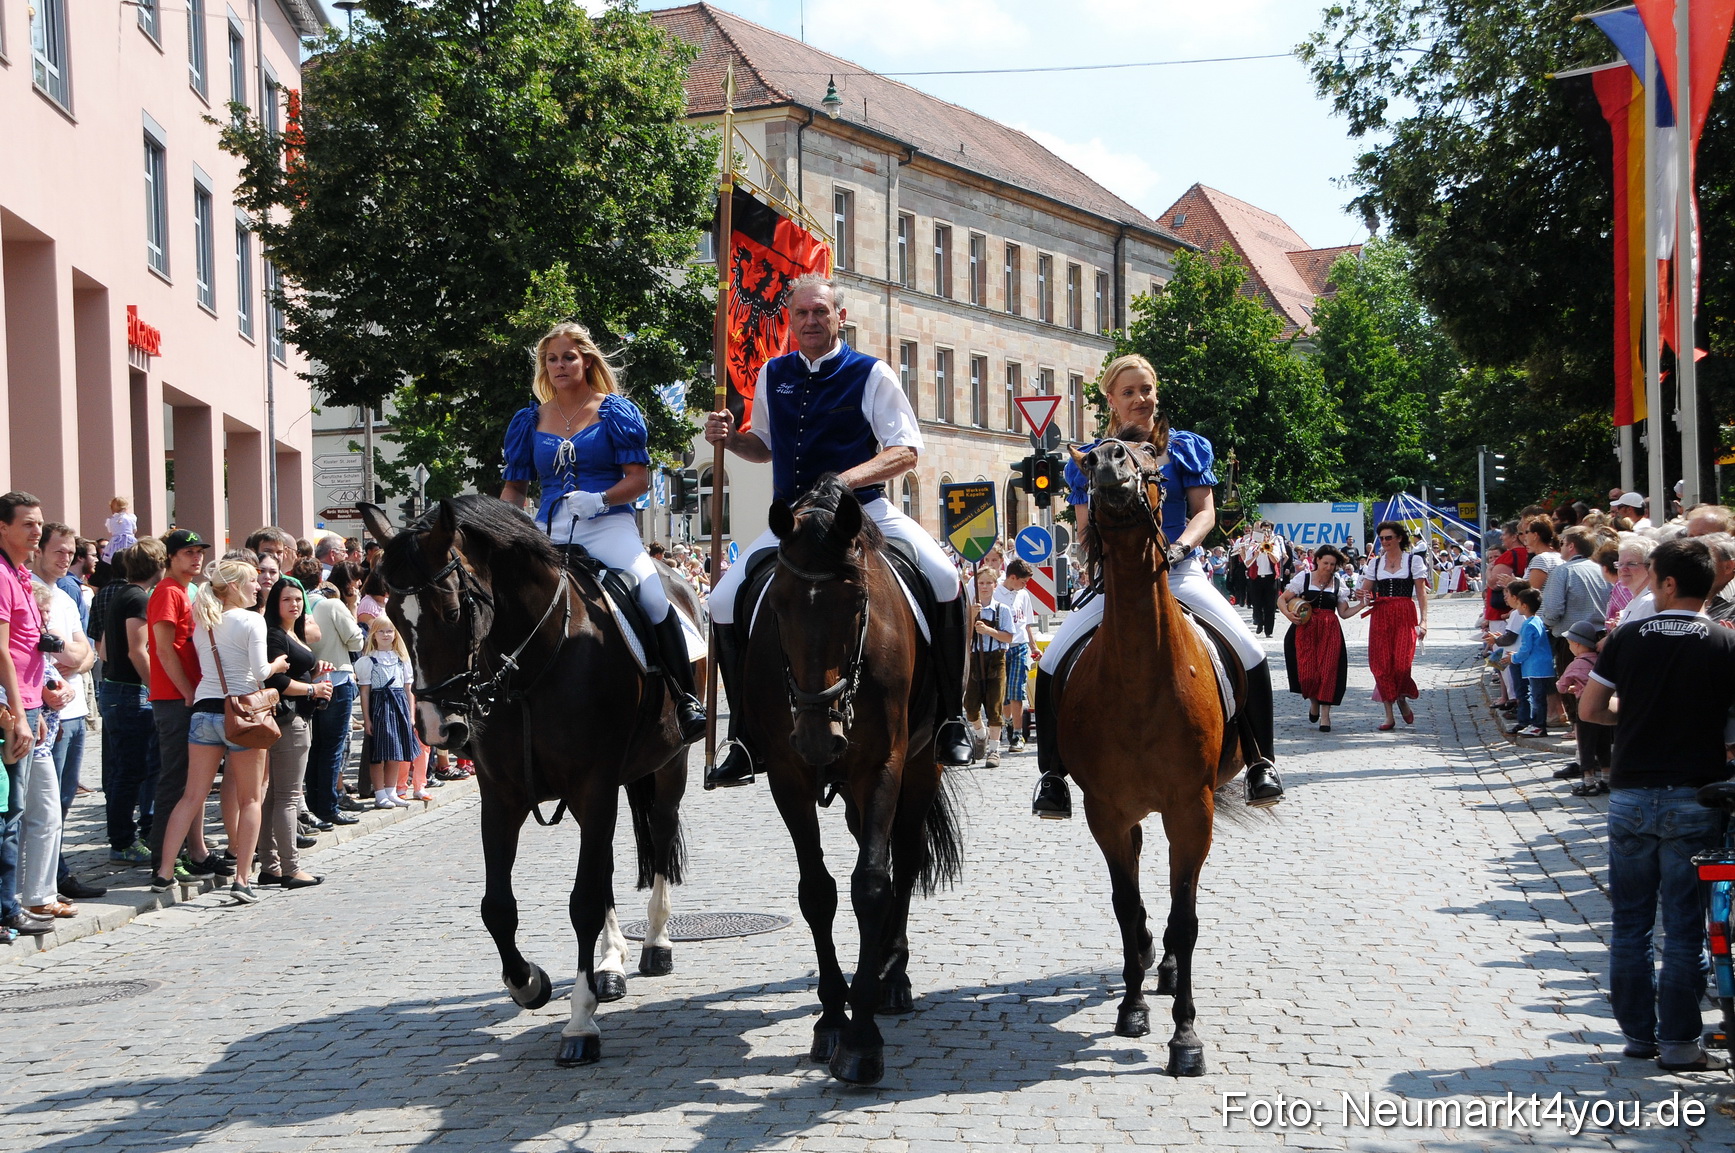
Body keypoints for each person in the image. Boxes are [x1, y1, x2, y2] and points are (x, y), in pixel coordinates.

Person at [702, 275, 971, 787]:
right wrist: (731, 440)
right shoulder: (773, 373)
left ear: (839, 317)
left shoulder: (871, 374)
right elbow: (764, 445)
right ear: (790, 320)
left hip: (862, 513)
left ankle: (952, 718)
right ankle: (744, 735)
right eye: (801, 313)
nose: (811, 321)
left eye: (820, 312)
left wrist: (843, 481)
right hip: (796, 521)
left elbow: (905, 450)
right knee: (721, 601)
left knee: (945, 578)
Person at [1032, 354, 1282, 818]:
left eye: (1146, 389)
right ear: (1111, 400)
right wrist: (1107, 563)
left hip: (1179, 572)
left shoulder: (1185, 448)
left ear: (1156, 392)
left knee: (1249, 650)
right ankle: (1052, 776)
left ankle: (1260, 762)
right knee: (1051, 661)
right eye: (1128, 392)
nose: (1140, 399)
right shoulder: (1093, 458)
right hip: (1116, 582)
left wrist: (1181, 547)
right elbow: (1085, 529)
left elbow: (1205, 512)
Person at [500, 321, 705, 745]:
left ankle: (685, 698)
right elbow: (515, 488)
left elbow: (639, 480)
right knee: (504, 599)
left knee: (652, 594)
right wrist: (503, 529)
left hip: (607, 523)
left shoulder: (614, 412)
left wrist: (601, 499)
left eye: (568, 357)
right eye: (552, 359)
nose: (559, 365)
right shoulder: (529, 420)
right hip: (548, 527)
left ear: (587, 361)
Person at [1579, 537, 1735, 1073]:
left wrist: (1634, 715)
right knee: (1685, 927)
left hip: (1630, 793)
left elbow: (1591, 709)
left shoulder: (1628, 636)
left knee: (1630, 922)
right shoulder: (1723, 641)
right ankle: (1679, 1043)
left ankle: (1638, 1036)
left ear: (1668, 582)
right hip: (1695, 794)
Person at [156, 558, 285, 904]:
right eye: (252, 581)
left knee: (191, 796)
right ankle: (242, 879)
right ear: (234, 587)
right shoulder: (252, 620)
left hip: (205, 710)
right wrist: (278, 664)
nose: (258, 587)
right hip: (242, 713)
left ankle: (164, 871)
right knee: (251, 799)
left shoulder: (205, 621)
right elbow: (260, 671)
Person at [31, 523, 101, 907]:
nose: (65, 559)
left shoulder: (66, 596)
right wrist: (74, 655)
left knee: (65, 797)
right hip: (49, 710)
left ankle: (55, 873)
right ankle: (46, 880)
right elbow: (57, 651)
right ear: (40, 551)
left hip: (74, 710)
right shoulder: (31, 591)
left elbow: (87, 653)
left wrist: (77, 657)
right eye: (58, 551)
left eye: (71, 553)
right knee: (46, 802)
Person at [146, 529, 214, 881]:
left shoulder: (186, 591)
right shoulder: (168, 592)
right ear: (170, 557)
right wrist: (188, 691)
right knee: (175, 780)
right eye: (188, 552)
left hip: (188, 694)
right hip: (174, 697)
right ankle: (163, 859)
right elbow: (162, 649)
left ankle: (191, 852)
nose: (196, 557)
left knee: (192, 780)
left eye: (199, 552)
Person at [259, 578, 332, 888]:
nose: (295, 604)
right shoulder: (274, 634)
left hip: (297, 716)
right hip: (289, 720)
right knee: (287, 797)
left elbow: (294, 673)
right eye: (287, 599)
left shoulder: (292, 632)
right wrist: (313, 688)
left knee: (274, 796)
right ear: (275, 603)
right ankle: (290, 867)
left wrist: (314, 673)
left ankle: (270, 866)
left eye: (299, 599)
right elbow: (276, 682)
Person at [98, 541, 164, 865]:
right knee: (130, 771)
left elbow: (104, 651)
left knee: (126, 770)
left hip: (116, 691)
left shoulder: (122, 594)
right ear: (158, 565)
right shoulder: (138, 598)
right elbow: (137, 651)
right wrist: (156, 689)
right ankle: (123, 842)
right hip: (128, 694)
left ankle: (125, 837)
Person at [1358, 520, 1429, 731]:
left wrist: (1424, 621)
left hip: (1404, 613)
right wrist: (1362, 595)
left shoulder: (1413, 561)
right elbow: (1365, 591)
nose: (1384, 541)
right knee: (1380, 665)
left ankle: (1401, 697)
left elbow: (1421, 593)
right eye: (1381, 538)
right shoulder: (1375, 563)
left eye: (1388, 537)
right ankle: (1389, 715)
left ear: (1399, 538)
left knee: (1402, 663)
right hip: (1381, 615)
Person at [307, 561, 364, 825]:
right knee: (332, 747)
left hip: (311, 679)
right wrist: (351, 608)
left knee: (316, 747)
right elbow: (356, 640)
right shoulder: (333, 605)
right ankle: (328, 806)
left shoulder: (304, 603)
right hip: (337, 679)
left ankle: (314, 803)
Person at [1278, 545, 1359, 732]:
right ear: (1317, 561)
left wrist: (1362, 605)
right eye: (1326, 563)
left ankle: (1325, 716)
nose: (1329, 567)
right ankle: (1313, 701)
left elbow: (1344, 613)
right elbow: (1282, 599)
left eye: (1332, 564)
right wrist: (1288, 615)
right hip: (1305, 628)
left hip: (1330, 630)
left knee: (1328, 671)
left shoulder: (1338, 583)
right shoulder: (1304, 578)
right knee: (1308, 672)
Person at [355, 617, 419, 809]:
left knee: (395, 751)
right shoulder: (368, 661)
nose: (385, 635)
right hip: (379, 706)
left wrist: (411, 715)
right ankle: (379, 793)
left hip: (398, 706)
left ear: (395, 634)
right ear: (373, 635)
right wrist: (367, 719)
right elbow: (365, 692)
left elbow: (408, 689)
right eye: (381, 631)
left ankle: (391, 791)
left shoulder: (401, 660)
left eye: (389, 631)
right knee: (378, 752)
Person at [966, 568, 1015, 769]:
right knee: (970, 706)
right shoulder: (970, 609)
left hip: (996, 658)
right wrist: (971, 617)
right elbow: (966, 638)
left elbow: (1008, 637)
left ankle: (994, 750)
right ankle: (981, 734)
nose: (984, 587)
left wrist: (988, 630)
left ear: (995, 585)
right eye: (981, 583)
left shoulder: (1002, 610)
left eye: (988, 583)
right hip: (975, 658)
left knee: (995, 706)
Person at [1555, 619, 1609, 797]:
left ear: (1576, 644)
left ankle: (1589, 783)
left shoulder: (1576, 664)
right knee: (1603, 743)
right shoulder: (1601, 659)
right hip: (1604, 706)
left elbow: (1562, 686)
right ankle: (1607, 779)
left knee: (1586, 744)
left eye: (1569, 643)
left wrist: (1570, 688)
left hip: (1585, 707)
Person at [995, 559, 1038, 751]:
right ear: (1012, 577)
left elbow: (1026, 625)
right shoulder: (996, 593)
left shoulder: (1024, 595)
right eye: (1023, 582)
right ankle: (1009, 722)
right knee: (1004, 694)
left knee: (1016, 690)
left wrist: (1034, 647)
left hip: (1020, 646)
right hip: (1001, 647)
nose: (1025, 585)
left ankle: (1017, 735)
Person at [1501, 585, 1552, 738]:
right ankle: (1535, 724)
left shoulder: (1528, 624)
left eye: (1518, 604)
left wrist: (1513, 657)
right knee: (1537, 697)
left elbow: (1526, 648)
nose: (1516, 607)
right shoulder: (1537, 620)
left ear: (1524, 606)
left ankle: (1538, 726)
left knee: (1537, 698)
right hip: (1540, 665)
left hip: (1536, 666)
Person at [1239, 522, 1285, 637]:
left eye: (1267, 534)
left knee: (1270, 606)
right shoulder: (1253, 546)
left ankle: (1268, 631)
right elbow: (1247, 564)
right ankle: (1260, 623)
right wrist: (1255, 555)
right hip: (1256, 579)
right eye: (1263, 534)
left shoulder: (1274, 546)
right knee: (1257, 604)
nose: (1265, 536)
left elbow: (1276, 560)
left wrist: (1268, 551)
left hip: (1270, 579)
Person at [102, 497, 137, 562]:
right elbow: (134, 530)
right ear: (126, 508)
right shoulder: (130, 518)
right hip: (128, 539)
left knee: (115, 556)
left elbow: (110, 531)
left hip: (116, 540)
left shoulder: (110, 521)